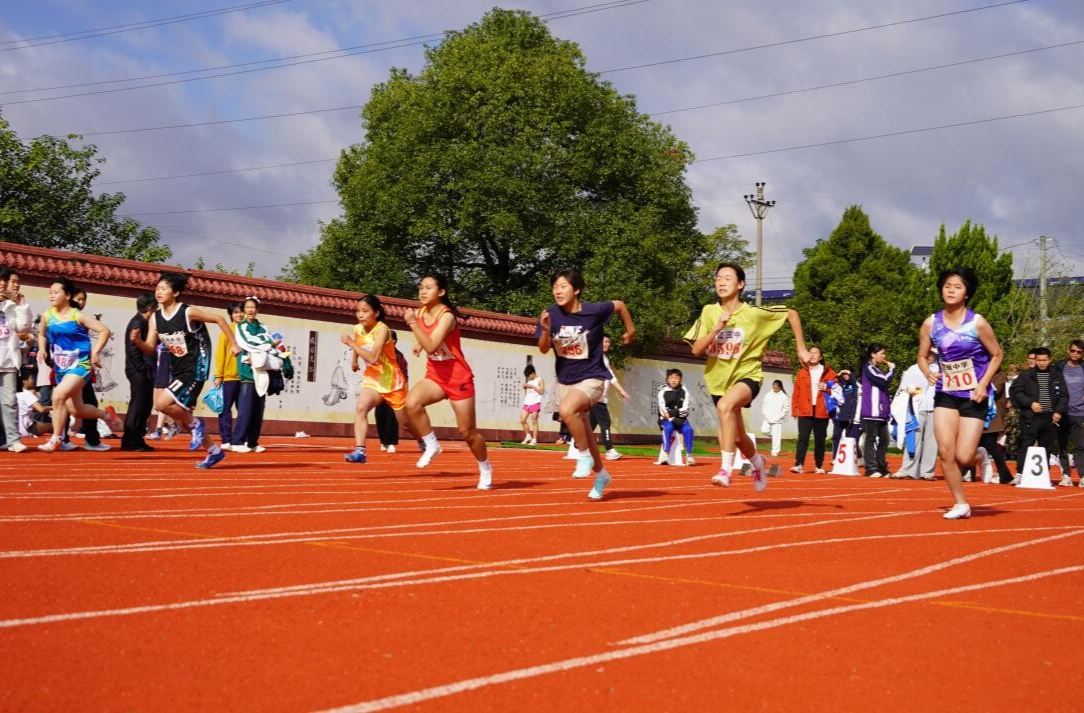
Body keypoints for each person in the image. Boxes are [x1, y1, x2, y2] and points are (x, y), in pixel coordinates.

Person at [685, 263, 810, 491]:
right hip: (717, 382)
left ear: (741, 284)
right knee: (738, 437)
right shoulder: (708, 311)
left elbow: (791, 313)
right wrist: (716, 328)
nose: (721, 282)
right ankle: (758, 463)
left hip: (748, 376)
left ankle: (725, 470)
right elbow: (695, 350)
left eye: (727, 278)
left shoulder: (753, 314)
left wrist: (801, 348)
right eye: (718, 278)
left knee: (725, 406)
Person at [538, 269, 635, 500]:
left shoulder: (594, 311)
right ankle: (601, 474)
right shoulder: (550, 315)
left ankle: (583, 456)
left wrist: (630, 330)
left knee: (567, 410)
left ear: (577, 289)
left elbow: (620, 305)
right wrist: (544, 331)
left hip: (592, 377)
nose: (558, 291)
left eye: (563, 286)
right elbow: (542, 348)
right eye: (555, 287)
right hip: (565, 380)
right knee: (586, 433)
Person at [918, 267, 1003, 520]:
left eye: (957, 286)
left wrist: (982, 384)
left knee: (963, 456)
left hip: (973, 395)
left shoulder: (977, 323)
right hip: (946, 392)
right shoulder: (931, 323)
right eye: (947, 286)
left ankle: (980, 455)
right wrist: (928, 372)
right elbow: (922, 356)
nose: (951, 290)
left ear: (967, 293)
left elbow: (997, 355)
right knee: (946, 451)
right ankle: (961, 503)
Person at [132, 272, 240, 469]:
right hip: (178, 368)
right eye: (157, 288)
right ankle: (214, 452)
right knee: (183, 417)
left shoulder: (187, 312)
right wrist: (138, 342)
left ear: (176, 292)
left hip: (196, 365)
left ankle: (197, 425)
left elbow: (219, 319)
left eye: (164, 288)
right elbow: (150, 347)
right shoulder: (155, 318)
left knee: (162, 403)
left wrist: (234, 344)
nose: (159, 292)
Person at [403, 273, 494, 490]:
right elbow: (428, 339)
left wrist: (413, 324)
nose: (422, 292)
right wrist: (418, 342)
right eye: (421, 287)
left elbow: (433, 344)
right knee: (411, 403)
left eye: (428, 288)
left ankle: (485, 467)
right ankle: (432, 444)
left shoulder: (447, 317)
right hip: (436, 375)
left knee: (467, 432)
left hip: (458, 378)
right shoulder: (422, 312)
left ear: (441, 292)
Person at [36, 277, 122, 452]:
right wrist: (41, 349)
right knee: (77, 410)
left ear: (67, 295)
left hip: (80, 364)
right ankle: (107, 415)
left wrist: (95, 352)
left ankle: (56, 439)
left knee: (58, 395)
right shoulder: (47, 315)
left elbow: (104, 330)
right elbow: (42, 334)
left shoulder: (79, 316)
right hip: (61, 366)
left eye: (55, 292)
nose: (51, 296)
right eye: (50, 293)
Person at [340, 295, 414, 464]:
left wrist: (352, 344)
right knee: (361, 407)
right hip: (373, 379)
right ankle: (360, 451)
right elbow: (359, 343)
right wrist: (354, 360)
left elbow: (373, 357)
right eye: (358, 311)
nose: (360, 315)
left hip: (391, 380)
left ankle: (424, 439)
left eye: (365, 311)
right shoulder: (358, 329)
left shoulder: (383, 330)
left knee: (405, 424)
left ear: (377, 312)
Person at [1011, 346, 1068, 482]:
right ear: (1035, 360)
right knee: (1026, 444)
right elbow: (1016, 392)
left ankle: (1043, 476)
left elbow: (1064, 396)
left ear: (1050, 360)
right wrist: (1030, 403)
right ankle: (1019, 474)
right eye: (1039, 360)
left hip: (1050, 417)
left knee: (1046, 448)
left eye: (1044, 360)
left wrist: (1058, 412)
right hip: (1031, 416)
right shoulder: (1026, 375)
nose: (1041, 363)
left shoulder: (1057, 375)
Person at [231, 297, 278, 454]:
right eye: (248, 307)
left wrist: (268, 345)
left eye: (253, 307)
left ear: (258, 310)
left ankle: (252, 441)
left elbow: (270, 343)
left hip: (263, 370)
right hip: (248, 372)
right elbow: (248, 343)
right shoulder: (241, 327)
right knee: (246, 408)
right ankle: (237, 440)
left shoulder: (263, 327)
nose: (250, 310)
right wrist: (267, 344)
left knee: (258, 408)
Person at [69, 288, 109, 451]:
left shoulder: (82, 319)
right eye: (78, 299)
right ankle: (63, 437)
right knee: (65, 403)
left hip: (82, 366)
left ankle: (91, 439)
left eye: (83, 299)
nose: (81, 302)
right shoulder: (64, 318)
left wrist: (94, 354)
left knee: (86, 401)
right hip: (70, 367)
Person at [891, 350, 939, 480]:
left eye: (933, 354)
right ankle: (908, 469)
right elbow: (905, 388)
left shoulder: (941, 369)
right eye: (928, 353)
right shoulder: (913, 369)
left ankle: (927, 472)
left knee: (932, 441)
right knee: (913, 439)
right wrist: (919, 390)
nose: (930, 356)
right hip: (917, 408)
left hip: (936, 409)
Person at [0, 267, 33, 452]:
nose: (3, 285)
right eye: (2, 281)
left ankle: (13, 440)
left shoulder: (12, 305)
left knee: (10, 402)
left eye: (5, 282)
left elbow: (24, 327)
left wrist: (21, 306)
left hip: (8, 361)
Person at [789, 346, 836, 474]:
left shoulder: (830, 373)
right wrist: (794, 410)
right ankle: (799, 464)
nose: (813, 355)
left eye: (816, 353)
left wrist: (826, 387)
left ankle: (819, 465)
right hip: (805, 409)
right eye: (810, 353)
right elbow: (796, 393)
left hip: (822, 410)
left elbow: (837, 390)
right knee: (803, 437)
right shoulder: (802, 372)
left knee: (820, 439)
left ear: (821, 357)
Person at [121, 292, 158, 451]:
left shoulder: (140, 322)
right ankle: (130, 440)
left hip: (141, 371)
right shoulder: (139, 323)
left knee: (144, 405)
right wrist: (143, 369)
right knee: (138, 405)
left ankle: (137, 438)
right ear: (150, 308)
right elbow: (134, 349)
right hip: (138, 372)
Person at [859, 343, 896, 478]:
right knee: (871, 439)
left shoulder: (877, 369)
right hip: (872, 411)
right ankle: (870, 467)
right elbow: (884, 381)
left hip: (881, 413)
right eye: (881, 353)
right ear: (873, 355)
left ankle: (881, 466)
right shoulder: (868, 368)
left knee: (885, 439)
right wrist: (892, 370)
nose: (884, 356)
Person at [212, 302, 244, 450]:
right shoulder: (226, 331)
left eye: (241, 312)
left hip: (244, 378)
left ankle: (240, 439)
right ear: (231, 315)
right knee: (225, 409)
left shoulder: (247, 332)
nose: (239, 315)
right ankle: (226, 439)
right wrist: (219, 375)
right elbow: (220, 354)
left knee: (243, 409)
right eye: (236, 312)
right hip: (229, 377)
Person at [591, 335, 630, 460]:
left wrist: (621, 390)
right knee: (605, 422)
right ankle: (609, 450)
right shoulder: (595, 357)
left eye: (609, 342)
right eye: (606, 341)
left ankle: (577, 444)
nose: (608, 344)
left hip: (599, 397)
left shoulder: (604, 359)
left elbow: (611, 376)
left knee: (590, 424)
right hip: (597, 397)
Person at [1053, 340, 1084, 487]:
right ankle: (1066, 475)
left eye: (1078, 352)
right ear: (1068, 350)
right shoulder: (1059, 367)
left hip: (1079, 413)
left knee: (1080, 446)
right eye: (1073, 351)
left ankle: (1082, 476)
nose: (1075, 354)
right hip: (1062, 412)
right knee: (1062, 445)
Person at [374, 330, 408, 453]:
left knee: (391, 416)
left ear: (393, 340)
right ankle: (383, 441)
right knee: (379, 415)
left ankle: (391, 443)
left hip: (395, 390)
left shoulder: (399, 356)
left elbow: (404, 375)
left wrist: (405, 392)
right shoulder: (380, 354)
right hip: (380, 388)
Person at [656, 368, 695, 465]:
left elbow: (685, 410)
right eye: (671, 378)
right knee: (668, 427)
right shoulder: (662, 391)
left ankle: (689, 455)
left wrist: (673, 414)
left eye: (676, 378)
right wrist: (672, 418)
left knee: (688, 429)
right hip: (666, 420)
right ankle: (666, 453)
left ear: (680, 379)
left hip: (681, 419)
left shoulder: (684, 391)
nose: (673, 380)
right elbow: (663, 411)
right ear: (667, 379)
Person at [830, 368, 862, 462]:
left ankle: (858, 457)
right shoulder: (841, 385)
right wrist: (839, 374)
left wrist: (849, 373)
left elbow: (854, 382)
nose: (845, 375)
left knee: (850, 438)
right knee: (836, 436)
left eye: (847, 374)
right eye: (843, 374)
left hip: (850, 416)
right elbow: (833, 381)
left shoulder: (856, 386)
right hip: (840, 415)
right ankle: (835, 457)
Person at [16, 368, 53, 438]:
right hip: (26, 428)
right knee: (54, 426)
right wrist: (54, 407)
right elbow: (41, 409)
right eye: (31, 378)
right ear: (24, 381)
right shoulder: (26, 393)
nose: (33, 381)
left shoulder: (12, 393)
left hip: (13, 430)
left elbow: (30, 409)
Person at [760, 379, 790, 458]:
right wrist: (765, 414)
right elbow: (764, 405)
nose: (775, 389)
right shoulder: (768, 395)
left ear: (780, 387)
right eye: (774, 388)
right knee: (764, 430)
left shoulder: (783, 396)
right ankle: (774, 435)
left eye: (777, 388)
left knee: (776, 437)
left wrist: (780, 415)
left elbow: (786, 407)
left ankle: (775, 452)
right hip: (768, 417)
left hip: (777, 419)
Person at [519, 364, 545, 445]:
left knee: (534, 420)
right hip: (527, 402)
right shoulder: (529, 381)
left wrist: (533, 387)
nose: (528, 378)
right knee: (522, 420)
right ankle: (528, 436)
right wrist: (525, 386)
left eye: (529, 375)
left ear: (533, 373)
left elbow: (542, 391)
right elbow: (528, 389)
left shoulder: (540, 379)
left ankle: (534, 439)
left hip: (535, 402)